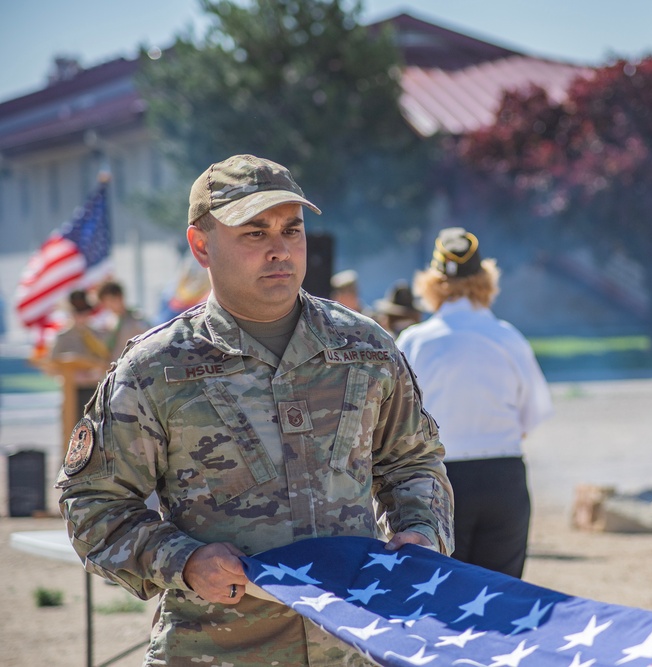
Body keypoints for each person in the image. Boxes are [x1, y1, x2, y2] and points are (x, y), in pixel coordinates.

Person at [57, 154, 454, 666]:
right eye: (254, 233)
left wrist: (422, 532)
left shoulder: (366, 347)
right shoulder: (156, 368)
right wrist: (186, 560)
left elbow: (412, 462)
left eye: (292, 230)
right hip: (215, 653)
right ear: (201, 245)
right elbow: (93, 503)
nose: (279, 250)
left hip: (355, 650)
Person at [396, 227, 553, 578]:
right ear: (485, 280)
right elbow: (533, 414)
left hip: (438, 476)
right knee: (501, 595)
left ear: (432, 283)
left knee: (441, 597)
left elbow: (396, 420)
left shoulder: (414, 341)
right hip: (503, 476)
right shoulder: (507, 337)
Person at [47, 289, 109, 419]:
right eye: (77, 313)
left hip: (95, 389)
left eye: (84, 313)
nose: (81, 317)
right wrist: (70, 375)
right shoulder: (63, 337)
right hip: (72, 391)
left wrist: (97, 372)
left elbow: (107, 360)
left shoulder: (98, 335)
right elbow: (52, 366)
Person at [96, 280, 151, 360]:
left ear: (120, 297)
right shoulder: (109, 321)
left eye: (111, 300)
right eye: (105, 302)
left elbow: (150, 338)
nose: (109, 305)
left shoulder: (136, 318)